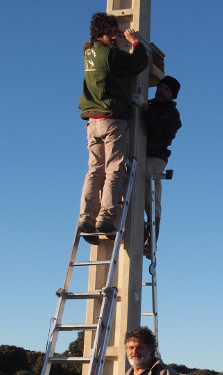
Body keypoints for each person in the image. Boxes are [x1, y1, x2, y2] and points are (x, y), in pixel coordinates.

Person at [78, 13, 149, 241]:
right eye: (111, 32)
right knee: (115, 169)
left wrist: (117, 39)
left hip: (93, 121)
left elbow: (92, 46)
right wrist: (136, 43)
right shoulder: (110, 55)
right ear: (100, 33)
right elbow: (138, 63)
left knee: (94, 171)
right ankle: (106, 217)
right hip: (111, 119)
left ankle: (86, 219)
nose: (115, 36)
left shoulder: (89, 52)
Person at [129, 76, 182, 254]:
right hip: (136, 152)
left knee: (150, 198)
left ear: (173, 95)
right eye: (161, 87)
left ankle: (150, 241)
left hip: (154, 157)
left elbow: (159, 129)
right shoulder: (149, 105)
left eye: (167, 89)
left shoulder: (172, 115)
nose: (161, 91)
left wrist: (144, 107)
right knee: (130, 193)